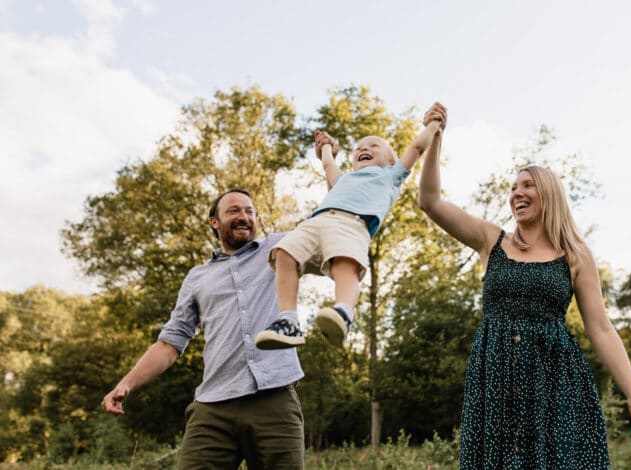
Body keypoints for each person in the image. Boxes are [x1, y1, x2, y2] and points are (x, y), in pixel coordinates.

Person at [418, 108, 631, 469]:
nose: (517, 192)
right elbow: (430, 201)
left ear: (548, 193)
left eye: (527, 185)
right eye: (513, 187)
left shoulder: (576, 255)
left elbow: (601, 328)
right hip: (495, 379)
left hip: (556, 382)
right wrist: (435, 139)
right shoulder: (490, 240)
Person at [101, 189, 305, 469]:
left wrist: (332, 163)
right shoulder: (198, 277)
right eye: (234, 210)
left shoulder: (279, 248)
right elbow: (169, 343)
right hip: (213, 407)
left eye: (249, 211)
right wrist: (125, 383)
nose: (243, 216)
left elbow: (331, 222)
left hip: (274, 400)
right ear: (214, 222)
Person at [254, 104, 447, 350]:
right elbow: (328, 166)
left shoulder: (390, 176)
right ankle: (288, 320)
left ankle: (344, 312)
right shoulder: (344, 180)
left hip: (352, 224)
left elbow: (417, 147)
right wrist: (325, 147)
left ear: (391, 161)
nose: (364, 148)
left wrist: (434, 124)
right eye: (359, 148)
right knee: (283, 252)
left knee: (345, 262)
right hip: (317, 221)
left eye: (374, 146)